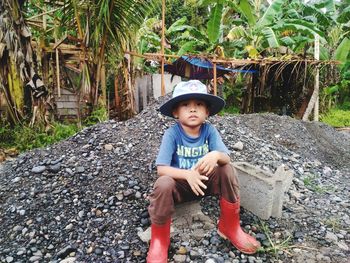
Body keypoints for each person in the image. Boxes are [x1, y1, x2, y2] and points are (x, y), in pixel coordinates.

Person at [147, 80, 260, 263]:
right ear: (176, 112)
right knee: (163, 183)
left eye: (199, 105)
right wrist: (187, 175)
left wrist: (215, 155)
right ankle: (160, 240)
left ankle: (229, 226)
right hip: (181, 188)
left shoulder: (209, 131)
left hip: (204, 184)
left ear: (207, 111)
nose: (193, 110)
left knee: (226, 169)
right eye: (186, 105)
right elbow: (161, 169)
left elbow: (226, 158)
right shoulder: (172, 134)